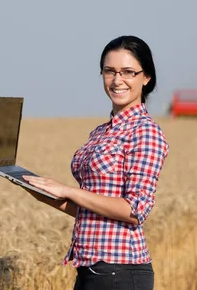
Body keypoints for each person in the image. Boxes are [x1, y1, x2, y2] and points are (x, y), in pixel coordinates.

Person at [22, 35, 170, 290]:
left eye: (128, 72)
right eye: (109, 71)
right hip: (92, 269)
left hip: (120, 271)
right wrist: (44, 194)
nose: (117, 80)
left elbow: (135, 211)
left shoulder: (145, 132)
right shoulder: (102, 132)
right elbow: (92, 212)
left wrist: (68, 190)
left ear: (146, 78)